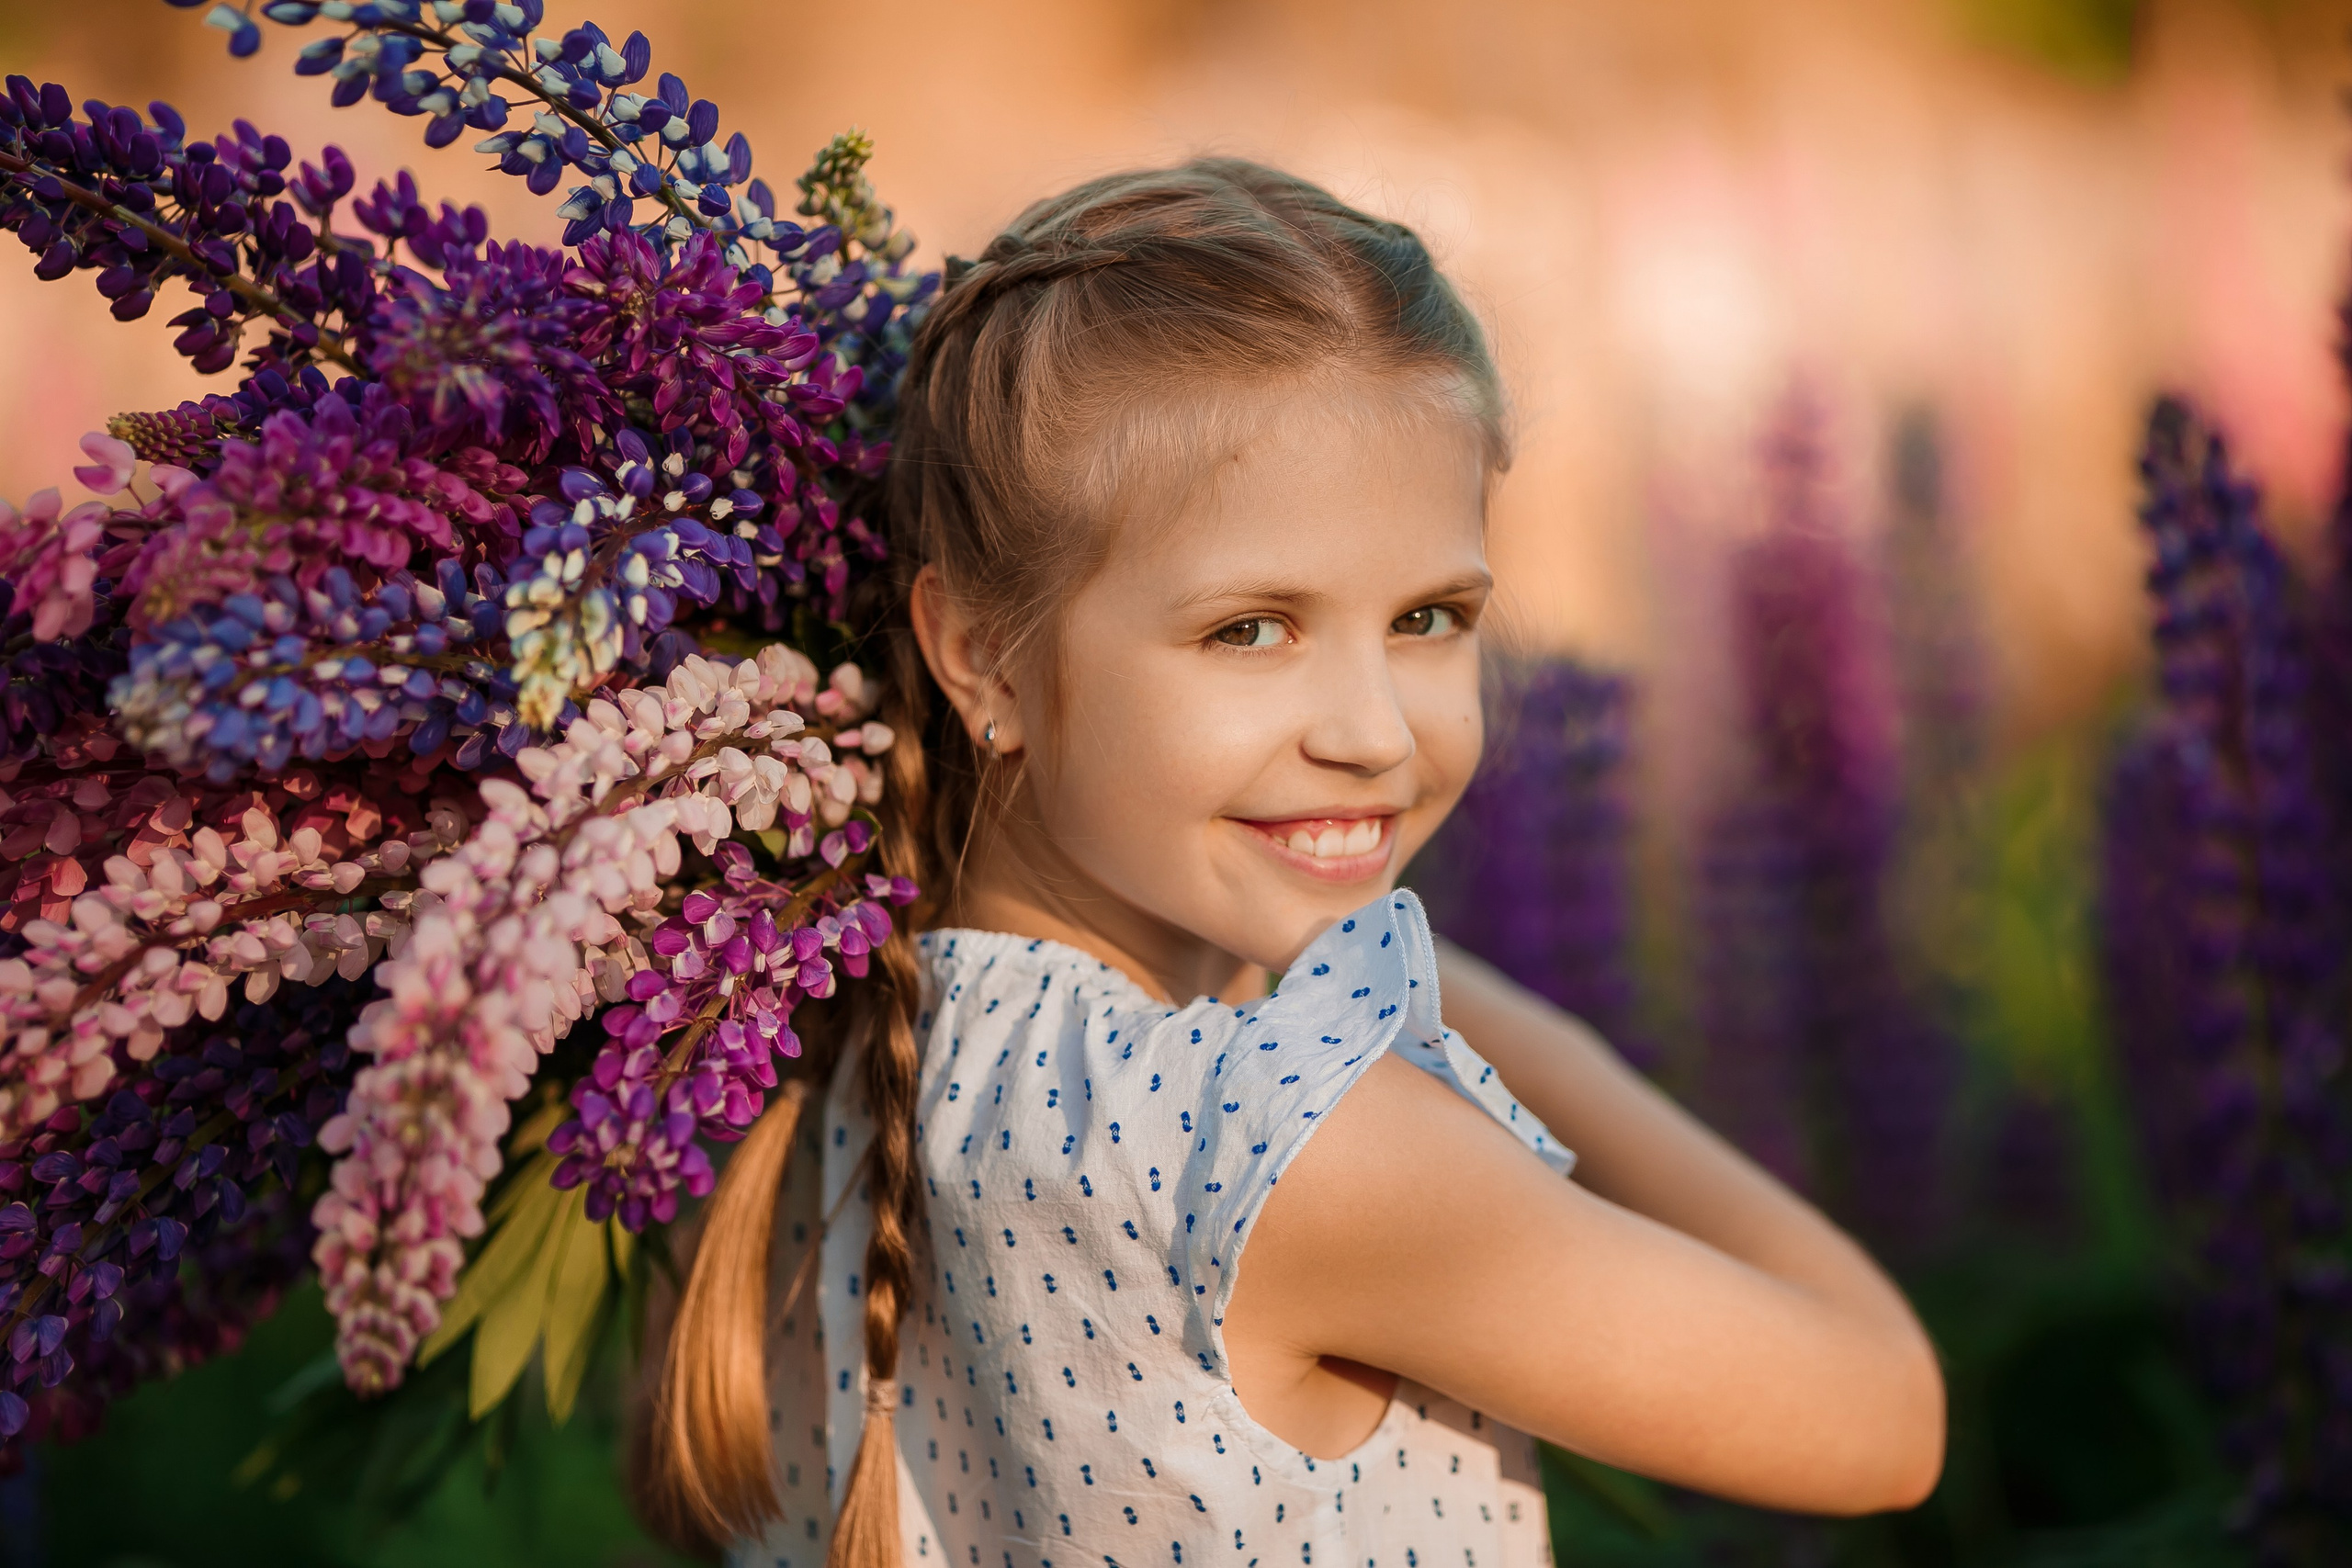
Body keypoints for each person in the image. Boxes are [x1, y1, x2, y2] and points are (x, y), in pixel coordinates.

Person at [633, 158, 1946, 1568]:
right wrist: (1526, 1032)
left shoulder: (832, 1032)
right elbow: (1887, 1418)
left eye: (1432, 617)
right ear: (976, 651)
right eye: (1250, 629)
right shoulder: (1293, 1149)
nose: (1376, 733)